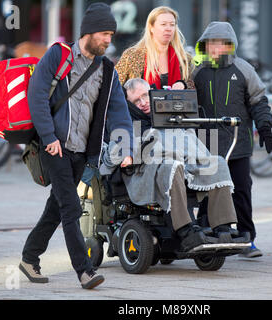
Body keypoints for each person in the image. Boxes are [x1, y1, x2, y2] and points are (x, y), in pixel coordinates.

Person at [19, 3, 134, 289]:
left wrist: (125, 148)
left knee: (56, 209)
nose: (109, 39)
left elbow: (119, 112)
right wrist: (48, 137)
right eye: (105, 33)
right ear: (89, 31)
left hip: (81, 152)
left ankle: (29, 258)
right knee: (71, 208)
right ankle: (84, 271)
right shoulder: (59, 55)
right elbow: (37, 95)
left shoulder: (108, 70)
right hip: (53, 147)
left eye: (111, 34)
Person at [103, 78, 249, 252]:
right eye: (136, 100)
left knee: (217, 163)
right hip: (143, 175)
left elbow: (189, 143)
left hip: (182, 164)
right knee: (172, 166)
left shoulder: (170, 116)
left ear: (152, 93)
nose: (142, 103)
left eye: (145, 96)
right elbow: (111, 156)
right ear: (129, 104)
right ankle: (184, 229)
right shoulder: (127, 123)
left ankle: (223, 226)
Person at [192, 22, 272, 258]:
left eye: (222, 43)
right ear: (205, 46)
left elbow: (259, 100)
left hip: (238, 143)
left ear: (230, 46)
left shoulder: (243, 69)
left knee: (241, 190)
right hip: (207, 144)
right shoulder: (197, 71)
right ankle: (205, 233)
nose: (217, 48)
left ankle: (247, 238)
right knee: (207, 189)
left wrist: (265, 127)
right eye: (212, 43)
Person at [115, 6, 193, 90]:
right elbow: (114, 87)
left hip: (175, 103)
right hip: (139, 103)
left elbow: (192, 89)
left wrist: (183, 85)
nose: (168, 29)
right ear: (151, 27)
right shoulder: (132, 55)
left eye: (172, 25)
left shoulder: (184, 58)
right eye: (163, 24)